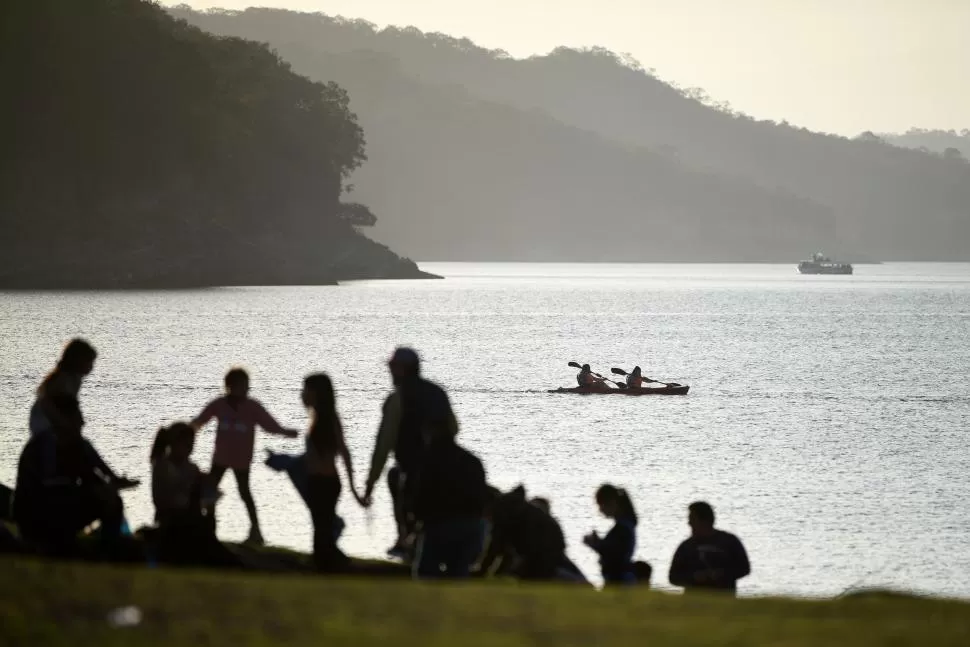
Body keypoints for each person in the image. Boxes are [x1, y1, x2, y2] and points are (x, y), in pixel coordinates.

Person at [361, 348, 459, 559]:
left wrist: (370, 482)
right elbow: (454, 428)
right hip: (446, 467)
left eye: (392, 368)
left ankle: (405, 542)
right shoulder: (438, 392)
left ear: (401, 369)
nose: (390, 372)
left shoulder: (397, 399)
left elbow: (383, 443)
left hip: (413, 468)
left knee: (397, 483)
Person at [14, 395, 137, 558]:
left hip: (62, 505)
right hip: (38, 513)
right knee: (72, 502)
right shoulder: (44, 446)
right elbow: (50, 489)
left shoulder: (80, 446)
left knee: (112, 500)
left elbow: (99, 474)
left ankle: (108, 550)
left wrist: (111, 486)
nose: (82, 423)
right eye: (77, 418)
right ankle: (53, 544)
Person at [191, 368, 299, 546]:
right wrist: (185, 431)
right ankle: (208, 530)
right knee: (209, 491)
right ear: (229, 386)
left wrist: (286, 432)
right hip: (220, 458)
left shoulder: (252, 407)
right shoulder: (219, 404)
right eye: (240, 385)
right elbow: (200, 421)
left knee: (245, 493)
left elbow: (269, 425)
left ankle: (256, 532)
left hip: (241, 460)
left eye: (246, 385)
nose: (244, 388)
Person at [150, 423, 239, 568]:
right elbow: (171, 498)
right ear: (174, 443)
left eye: (192, 444)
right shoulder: (163, 466)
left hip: (191, 520)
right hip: (172, 521)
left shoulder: (191, 467)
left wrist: (208, 487)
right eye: (186, 444)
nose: (190, 448)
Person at [301, 373, 363, 572]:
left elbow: (344, 452)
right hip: (315, 481)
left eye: (307, 390)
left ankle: (333, 565)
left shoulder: (328, 419)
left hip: (326, 483)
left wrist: (354, 489)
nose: (302, 395)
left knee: (322, 530)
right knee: (321, 530)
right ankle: (327, 563)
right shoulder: (315, 418)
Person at [411, 428, 488, 579]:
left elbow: (419, 497)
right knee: (459, 570)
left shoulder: (429, 461)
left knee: (426, 571)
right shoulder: (472, 461)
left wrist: (416, 522)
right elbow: (482, 500)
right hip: (471, 527)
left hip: (441, 525)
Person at [481, 485, 572, 581]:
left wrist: (483, 571)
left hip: (542, 552)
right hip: (549, 549)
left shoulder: (503, 513)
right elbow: (504, 549)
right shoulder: (515, 509)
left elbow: (496, 547)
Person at [669, 501, 750, 596]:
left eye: (693, 519)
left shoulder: (729, 542)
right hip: (693, 603)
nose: (689, 523)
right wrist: (694, 577)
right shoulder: (686, 547)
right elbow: (673, 577)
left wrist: (721, 574)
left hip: (724, 600)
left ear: (705, 521)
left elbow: (744, 568)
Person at [29, 339, 97, 436]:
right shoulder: (63, 379)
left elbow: (71, 407)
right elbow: (47, 404)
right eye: (89, 362)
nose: (91, 367)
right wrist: (62, 422)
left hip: (52, 422)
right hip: (43, 423)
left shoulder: (75, 378)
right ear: (78, 360)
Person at [583, 484, 638, 585]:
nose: (600, 510)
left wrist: (596, 544)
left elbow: (614, 555)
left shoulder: (622, 528)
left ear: (612, 503)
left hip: (620, 581)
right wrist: (598, 544)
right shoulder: (625, 525)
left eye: (601, 505)